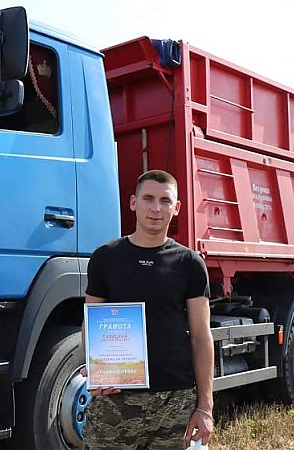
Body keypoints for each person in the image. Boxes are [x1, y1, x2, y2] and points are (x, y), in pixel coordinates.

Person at [81, 170, 214, 449]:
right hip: (115, 400)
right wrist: (95, 374)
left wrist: (205, 407)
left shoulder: (189, 263)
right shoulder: (105, 258)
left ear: (176, 208)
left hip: (174, 400)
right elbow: (91, 323)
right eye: (148, 198)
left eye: (165, 201)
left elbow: (201, 336)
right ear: (133, 202)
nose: (156, 208)